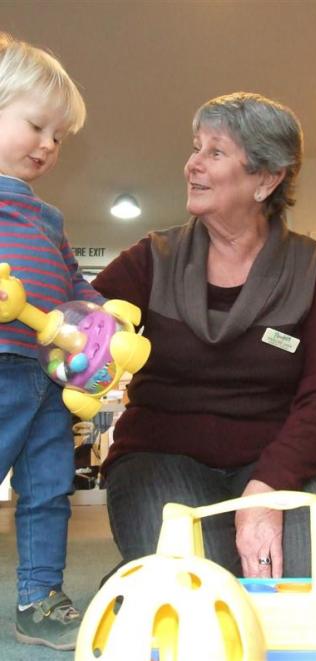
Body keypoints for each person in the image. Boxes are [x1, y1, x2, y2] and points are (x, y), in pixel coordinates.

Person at [93, 91, 316, 580]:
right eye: (195, 148)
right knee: (202, 586)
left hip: (276, 457)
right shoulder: (152, 257)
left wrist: (266, 489)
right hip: (160, 454)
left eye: (215, 152)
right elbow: (81, 319)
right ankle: (146, 572)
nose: (192, 165)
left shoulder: (315, 268)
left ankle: (143, 571)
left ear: (266, 178)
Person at [0, 32, 105, 650]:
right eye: (36, 125)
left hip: (47, 378)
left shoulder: (49, 217)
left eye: (58, 137)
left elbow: (72, 283)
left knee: (49, 488)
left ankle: (40, 597)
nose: (48, 145)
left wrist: (98, 314)